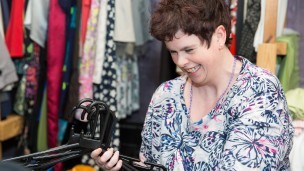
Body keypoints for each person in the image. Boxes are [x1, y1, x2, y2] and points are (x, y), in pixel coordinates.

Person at [91, 0, 294, 170]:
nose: (180, 62)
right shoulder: (166, 96)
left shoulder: (259, 91)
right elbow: (150, 165)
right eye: (173, 52)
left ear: (219, 36)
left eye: (189, 49)